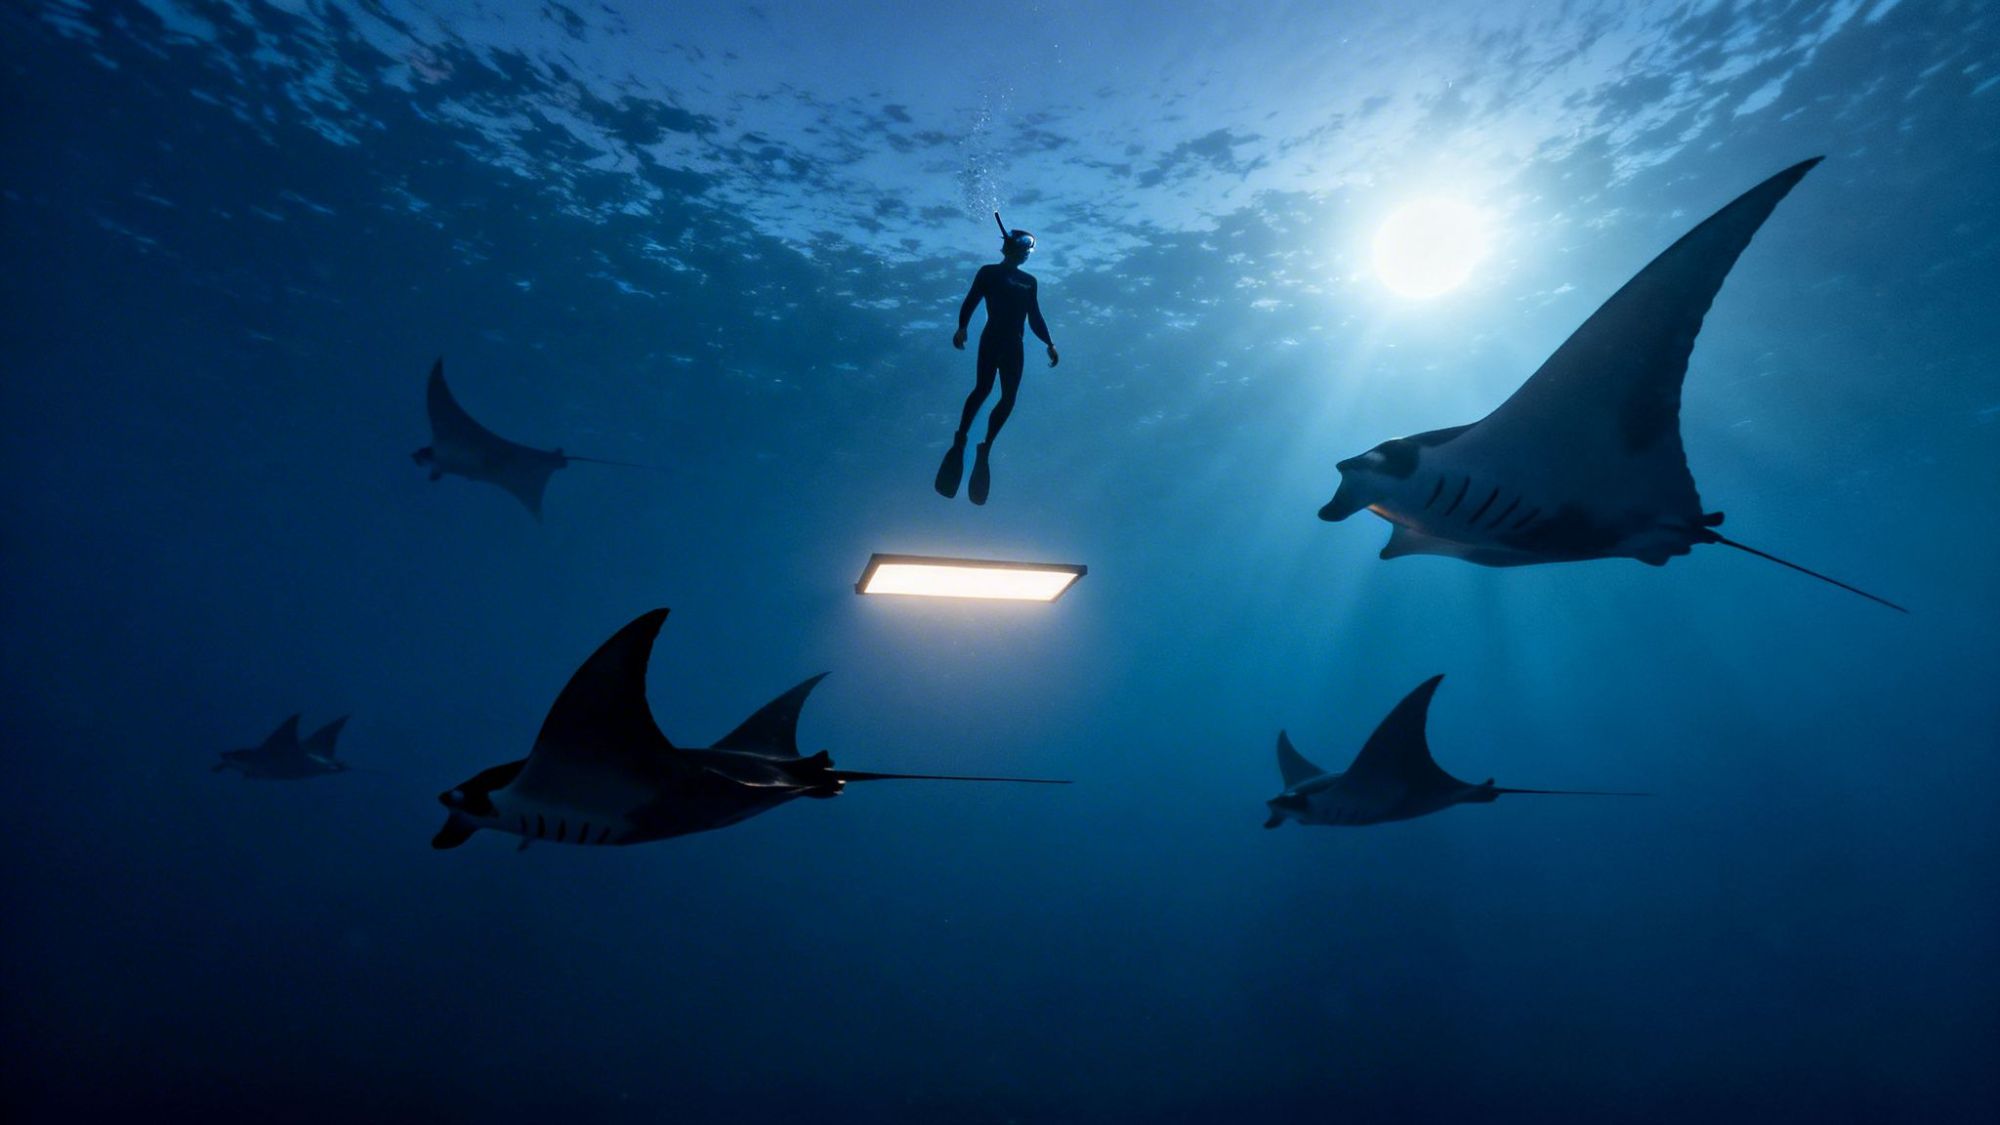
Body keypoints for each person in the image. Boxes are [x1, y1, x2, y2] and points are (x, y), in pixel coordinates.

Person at [936, 216, 1060, 504]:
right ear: (1011, 248)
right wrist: (962, 326)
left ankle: (985, 447)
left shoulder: (1030, 282)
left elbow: (1035, 317)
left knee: (1009, 398)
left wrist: (1049, 342)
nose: (1027, 253)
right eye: (1025, 247)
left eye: (1030, 249)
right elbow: (971, 300)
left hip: (1014, 344)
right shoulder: (988, 273)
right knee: (983, 389)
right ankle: (961, 440)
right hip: (992, 338)